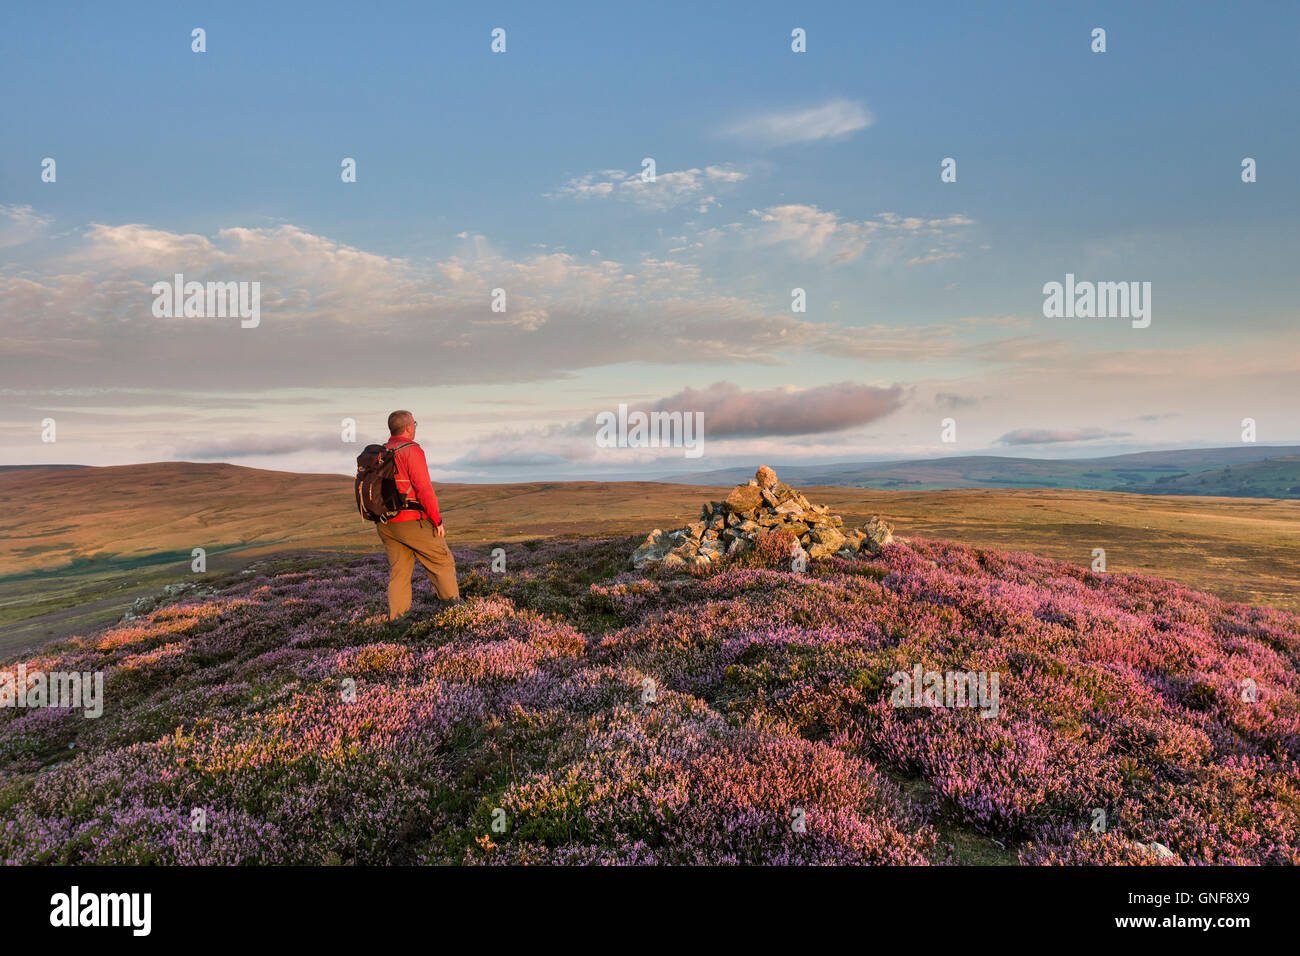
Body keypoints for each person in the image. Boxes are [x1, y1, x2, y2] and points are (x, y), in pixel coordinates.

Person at [375, 410, 460, 619]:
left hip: (386, 523)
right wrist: (437, 520)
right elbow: (423, 488)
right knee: (442, 562)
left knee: (400, 574)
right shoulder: (411, 450)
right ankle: (456, 615)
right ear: (408, 427)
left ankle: (398, 623)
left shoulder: (381, 452)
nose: (415, 427)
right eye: (414, 423)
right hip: (411, 520)